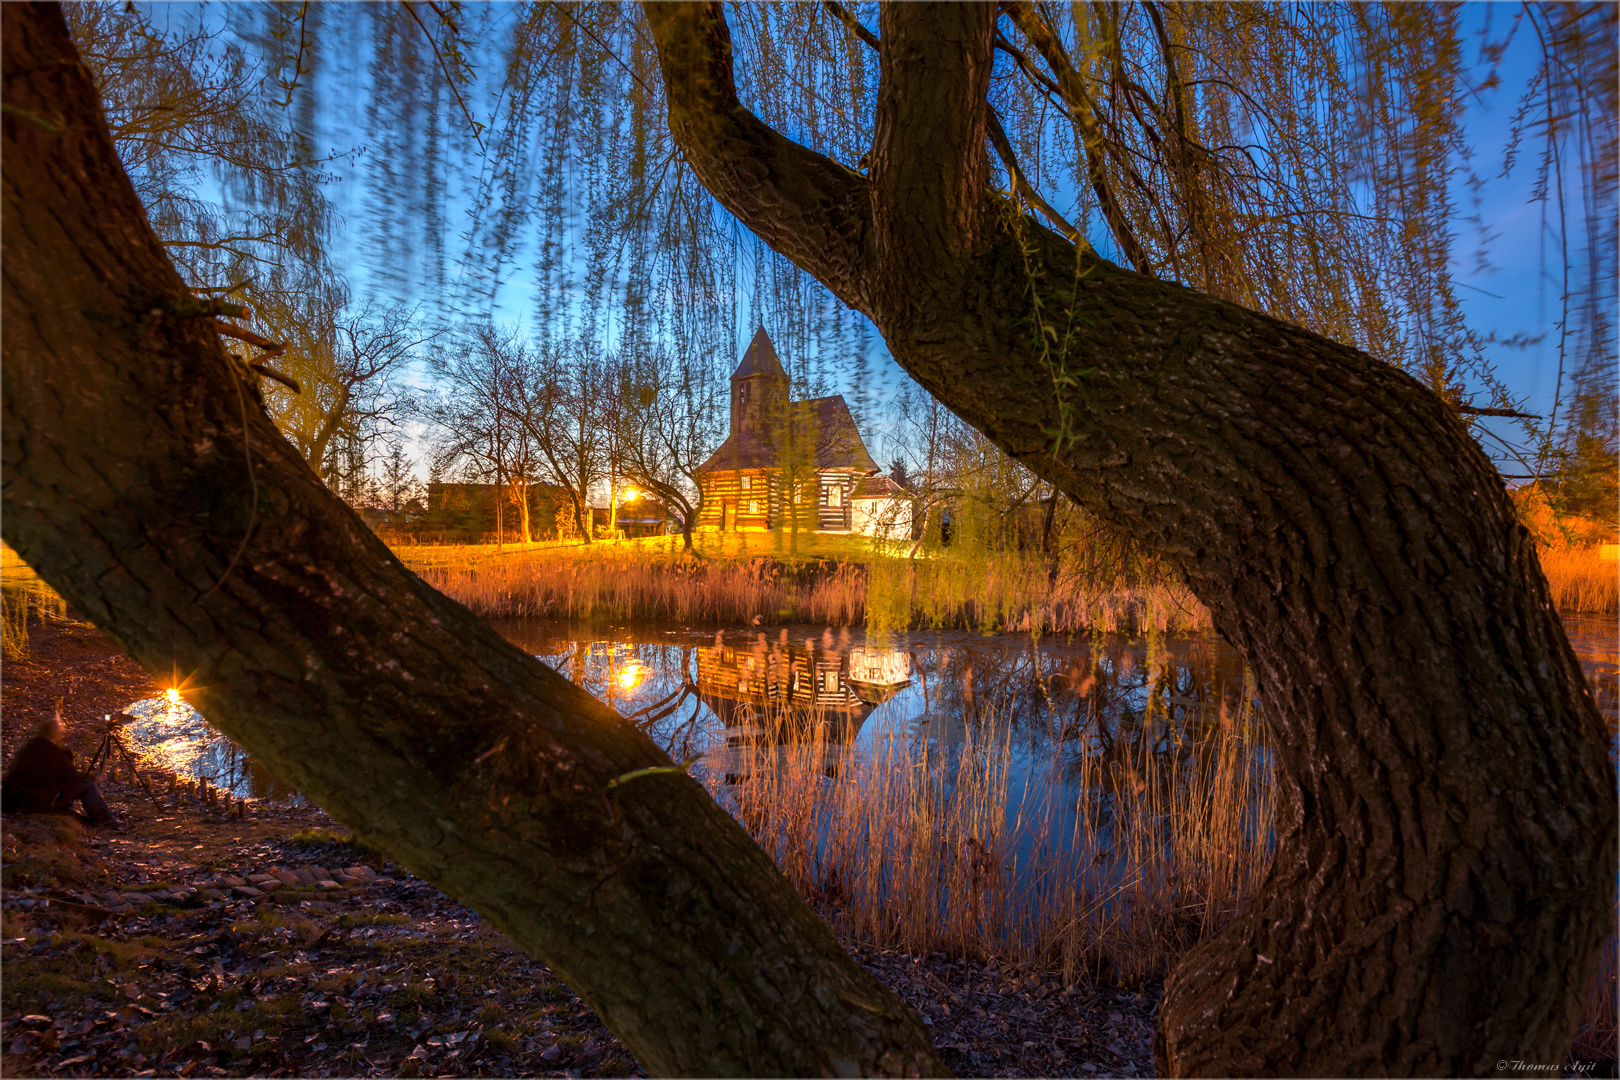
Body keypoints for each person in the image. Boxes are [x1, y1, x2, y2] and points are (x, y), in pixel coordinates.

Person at [1, 715, 117, 825]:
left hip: (18, 799)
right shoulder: (52, 753)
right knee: (89, 786)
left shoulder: (30, 747)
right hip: (37, 800)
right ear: (57, 734)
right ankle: (106, 822)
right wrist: (95, 777)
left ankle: (90, 823)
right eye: (62, 731)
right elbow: (72, 779)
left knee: (84, 821)